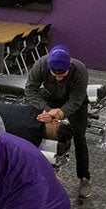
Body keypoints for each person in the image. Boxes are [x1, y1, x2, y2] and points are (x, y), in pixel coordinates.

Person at [25, 45, 92, 199]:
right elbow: (30, 90)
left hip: (75, 101)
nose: (58, 78)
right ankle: (46, 175)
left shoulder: (80, 70)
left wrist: (61, 113)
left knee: (80, 137)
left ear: (69, 66)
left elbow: (76, 100)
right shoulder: (41, 65)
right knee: (40, 131)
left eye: (62, 75)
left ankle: (84, 178)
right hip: (49, 99)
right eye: (55, 75)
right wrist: (47, 110)